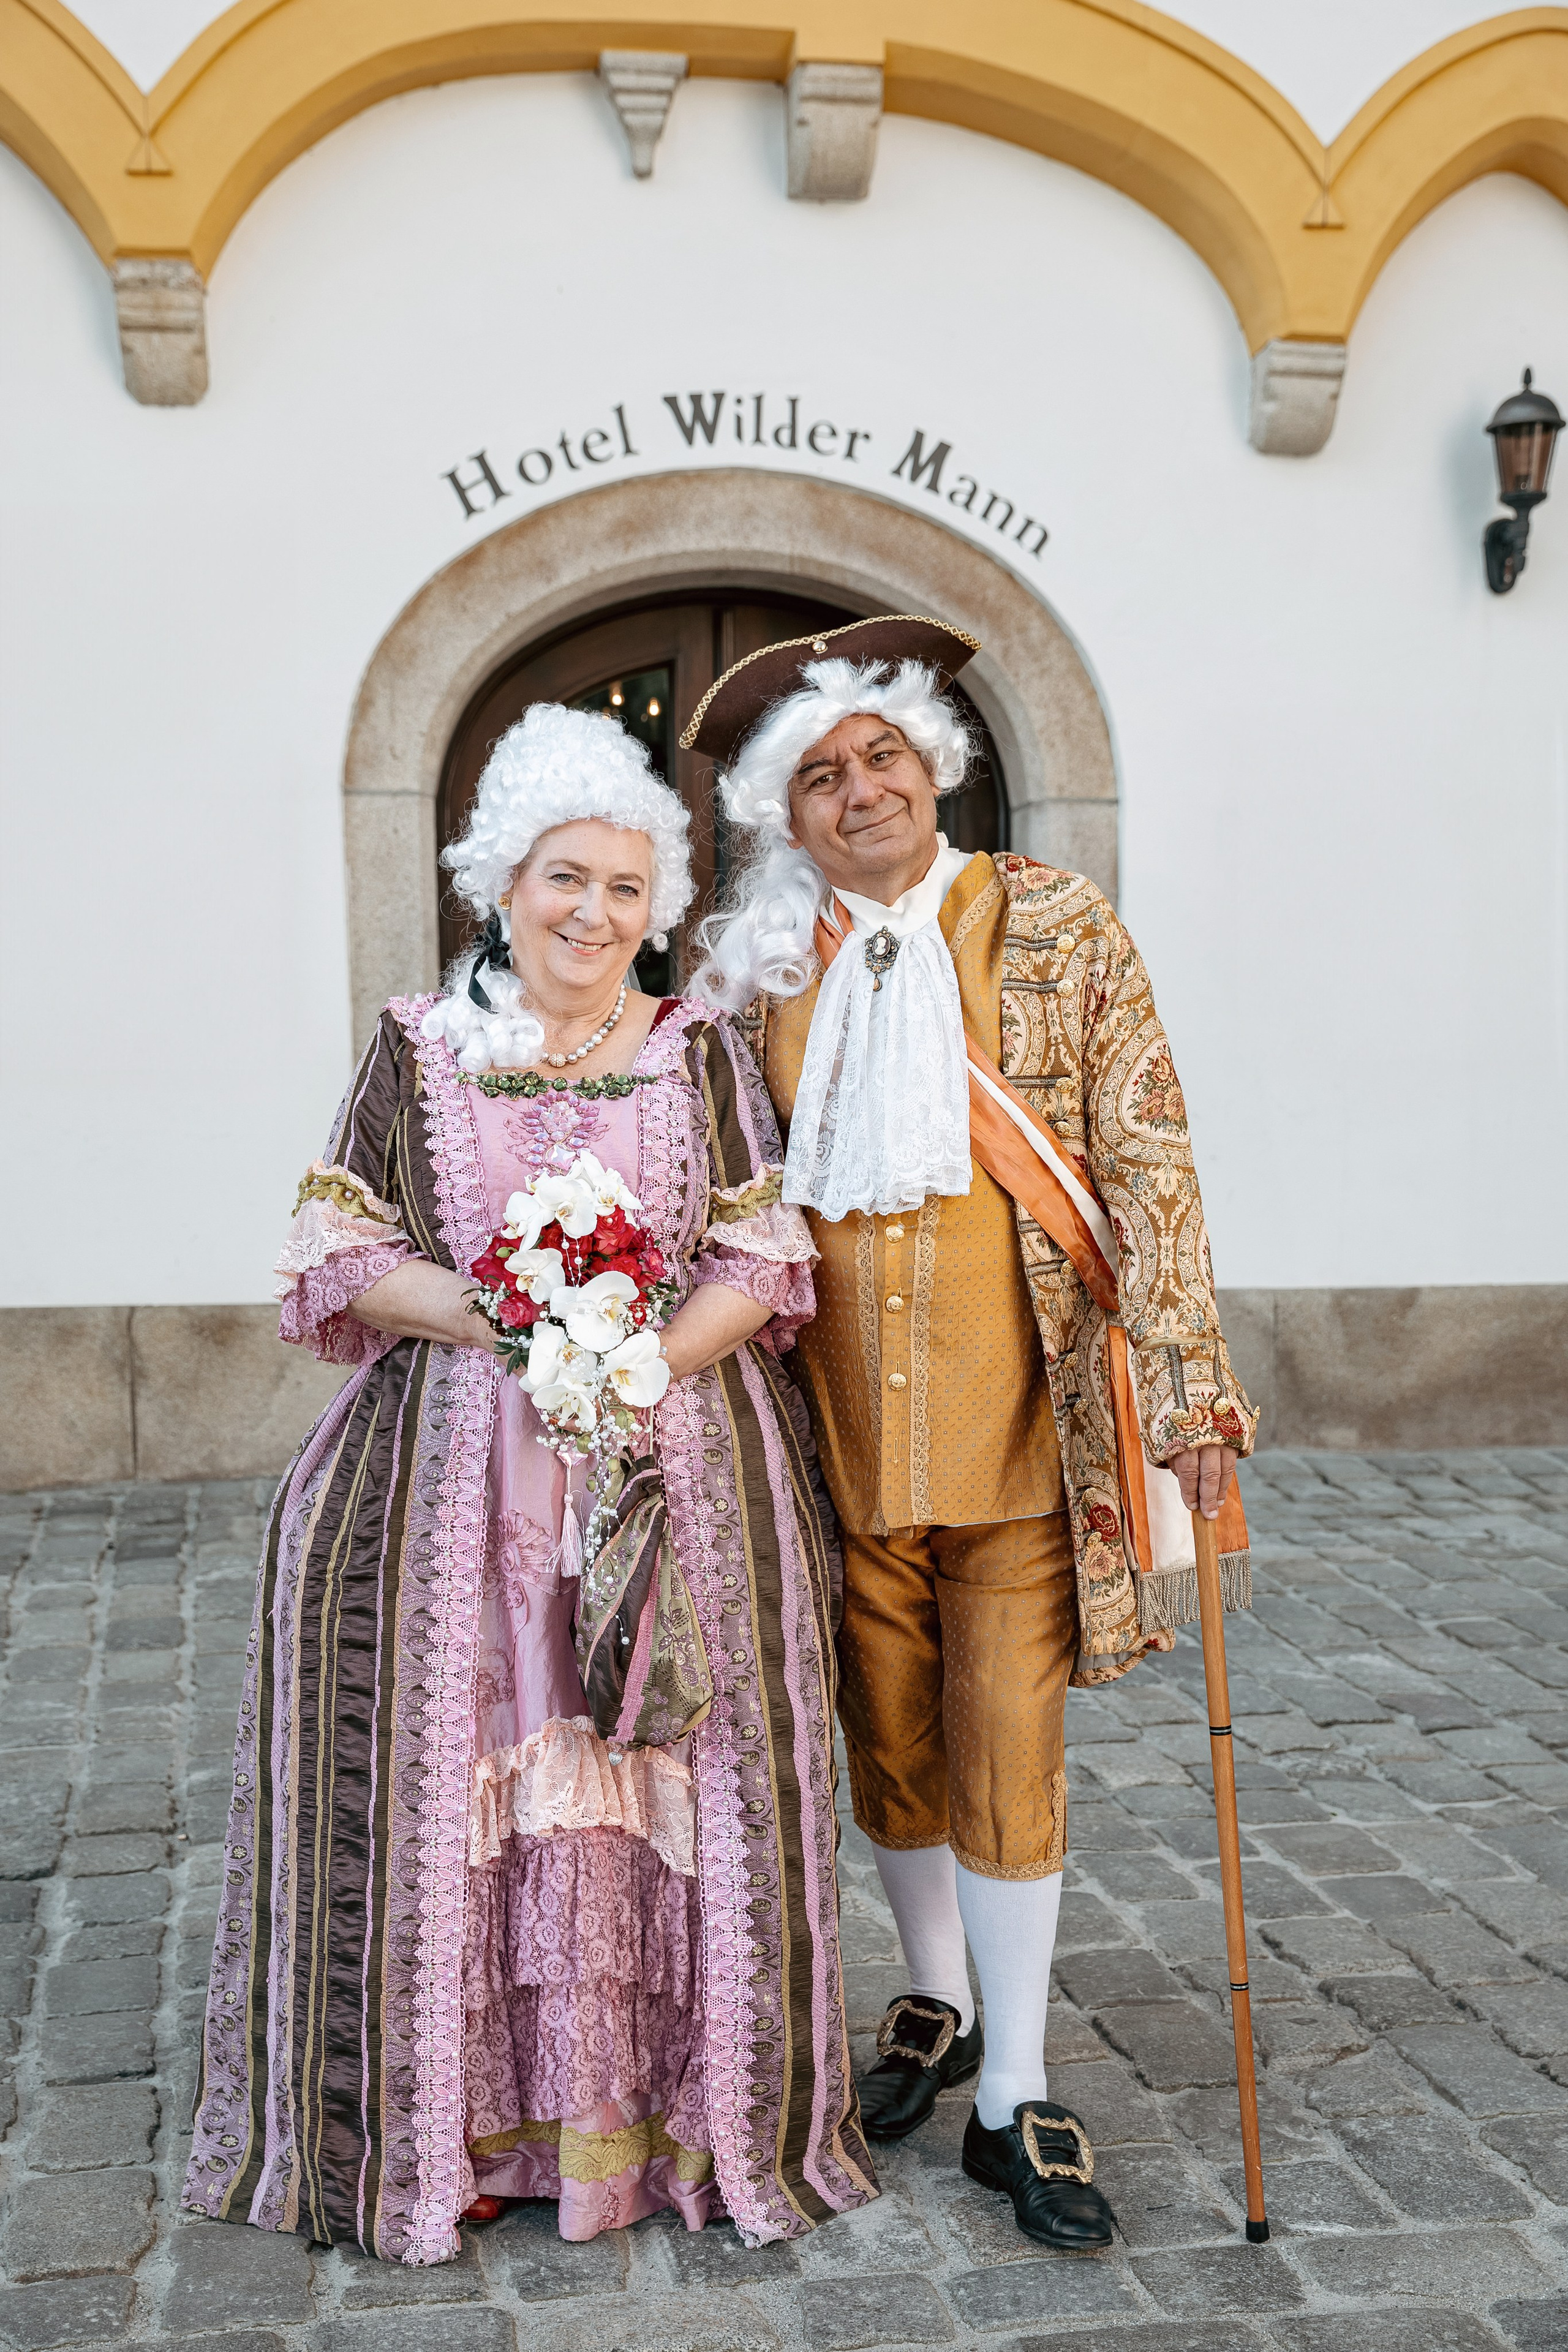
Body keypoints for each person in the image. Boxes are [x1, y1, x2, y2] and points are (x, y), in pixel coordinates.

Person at [183, 703, 875, 2263]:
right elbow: (341, 1247)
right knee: (473, 1769)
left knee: (648, 1784)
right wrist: (514, 1311)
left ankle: (658, 2132)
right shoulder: (418, 1047)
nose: (595, 915)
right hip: (452, 1484)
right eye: (566, 879)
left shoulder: (691, 1052)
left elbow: (763, 1257)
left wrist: (630, 1365)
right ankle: (460, 2134)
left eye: (628, 889)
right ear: (501, 883)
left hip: (664, 1470)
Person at [688, 617, 1259, 2255]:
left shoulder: (1059, 923)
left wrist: (1193, 1384)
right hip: (828, 1438)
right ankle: (929, 2002)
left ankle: (1017, 2082)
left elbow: (1148, 1154)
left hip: (1023, 1421)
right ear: (782, 820)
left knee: (1006, 1731)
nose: (859, 790)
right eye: (818, 775)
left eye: (881, 756)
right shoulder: (758, 973)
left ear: (933, 760)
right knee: (890, 1728)